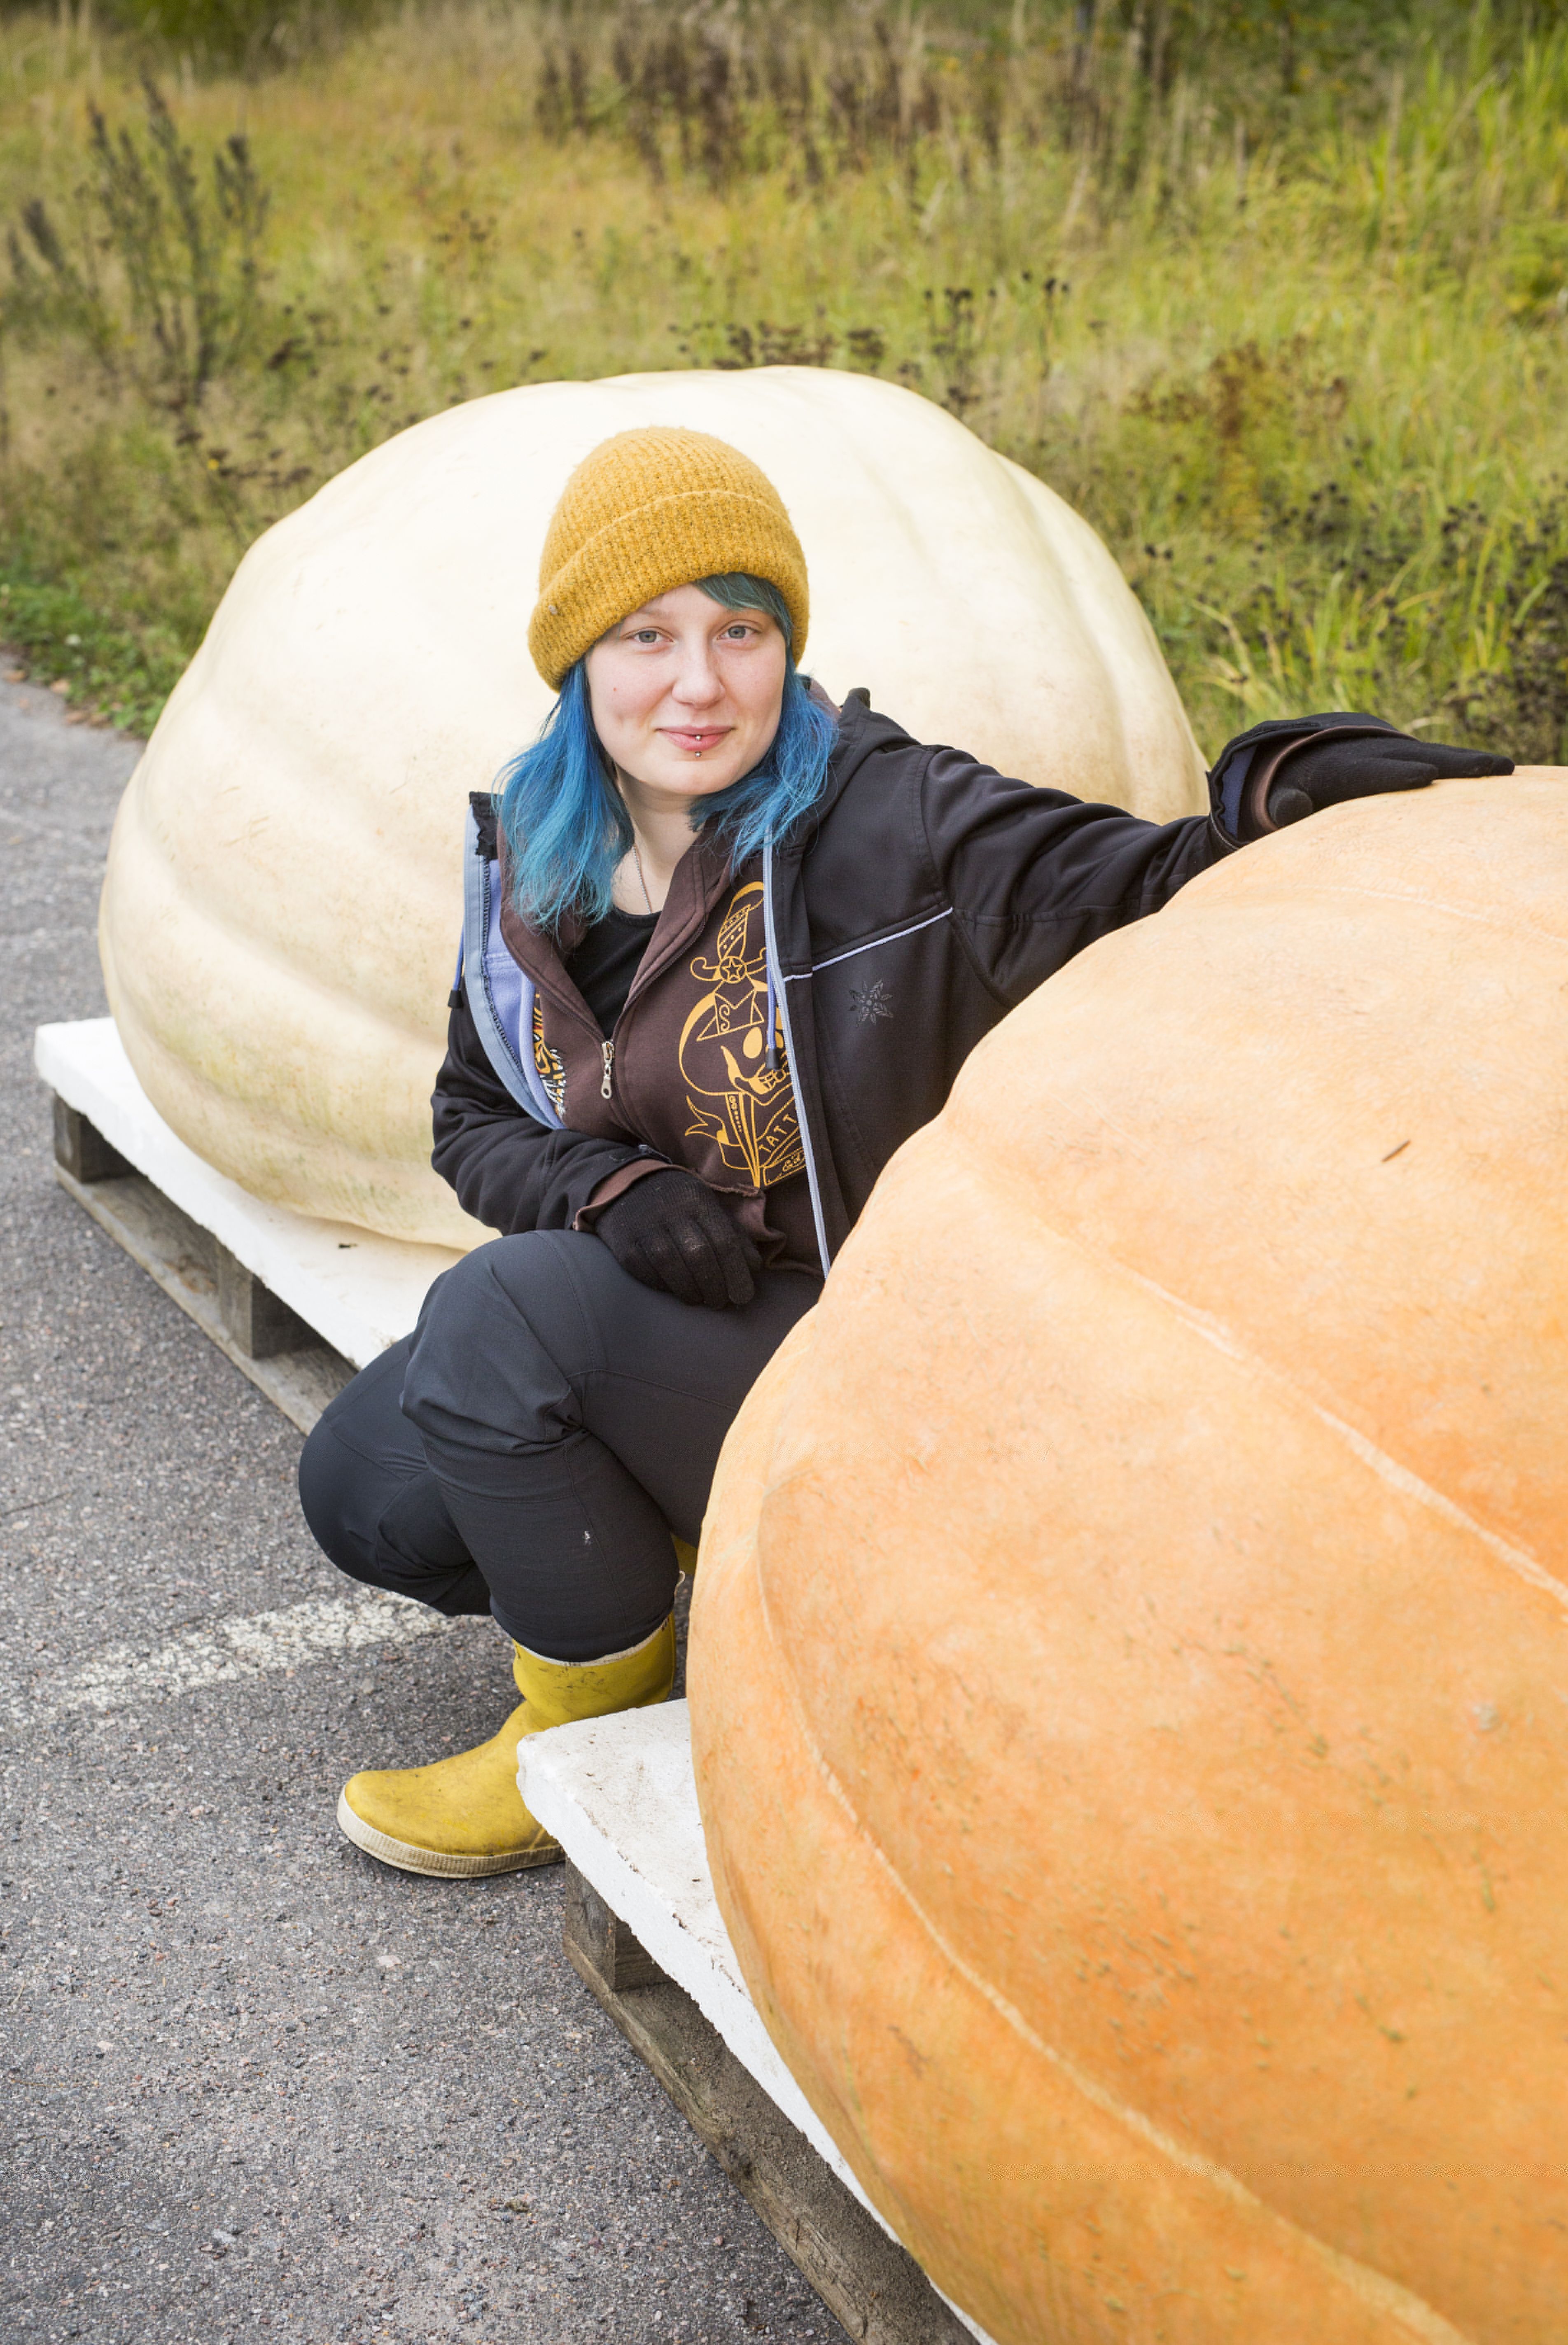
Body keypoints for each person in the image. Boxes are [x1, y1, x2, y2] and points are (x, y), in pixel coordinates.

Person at [298, 425, 1510, 1878]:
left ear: (785, 641)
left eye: (741, 630)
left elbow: (1132, 881)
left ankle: (580, 1731)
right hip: (673, 1325)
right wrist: (603, 1186)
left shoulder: (892, 817)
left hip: (872, 1352)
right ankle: (703, 1576)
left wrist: (1274, 803)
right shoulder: (537, 850)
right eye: (648, 635)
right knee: (370, 1489)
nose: (700, 682)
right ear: (577, 659)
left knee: (491, 1320)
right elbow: (472, 1115)